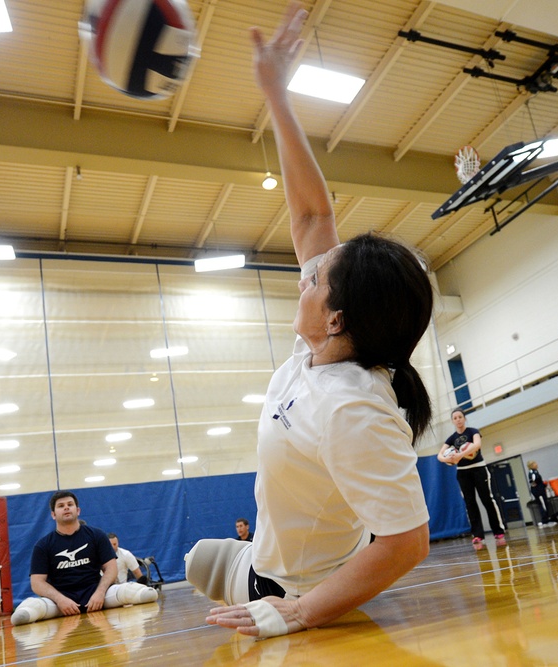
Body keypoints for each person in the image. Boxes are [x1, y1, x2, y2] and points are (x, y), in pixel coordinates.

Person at [185, 3, 434, 638]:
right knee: (195, 561)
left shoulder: (352, 406)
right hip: (263, 553)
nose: (308, 272)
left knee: (220, 588)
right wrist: (275, 92)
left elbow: (407, 542)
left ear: (335, 317)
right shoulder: (324, 351)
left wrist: (298, 612)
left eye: (318, 277)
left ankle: (291, 595)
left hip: (298, 587)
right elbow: (310, 216)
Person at [10, 491, 158, 625]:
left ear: (78, 510)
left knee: (145, 594)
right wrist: (61, 600)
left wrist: (100, 593)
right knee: (23, 615)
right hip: (60, 601)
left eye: (70, 504)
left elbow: (111, 568)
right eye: (61, 506)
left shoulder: (97, 535)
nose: (66, 508)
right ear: (53, 514)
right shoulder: (43, 545)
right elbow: (37, 583)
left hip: (97, 596)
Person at [439, 409, 506, 548]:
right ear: (452, 421)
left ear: (464, 418)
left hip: (479, 469)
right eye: (455, 418)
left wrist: (460, 455)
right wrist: (448, 458)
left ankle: (498, 531)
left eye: (460, 417)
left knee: (487, 499)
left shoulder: (473, 431)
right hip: (463, 473)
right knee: (470, 503)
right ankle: (477, 535)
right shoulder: (451, 439)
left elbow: (477, 445)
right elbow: (439, 456)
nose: (458, 419)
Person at [526, 460, 554, 527]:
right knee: (542, 505)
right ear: (532, 465)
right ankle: (545, 521)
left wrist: (544, 485)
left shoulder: (536, 471)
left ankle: (546, 519)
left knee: (545, 504)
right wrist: (534, 484)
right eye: (535, 463)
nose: (537, 464)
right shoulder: (532, 472)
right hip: (538, 491)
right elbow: (533, 480)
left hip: (540, 490)